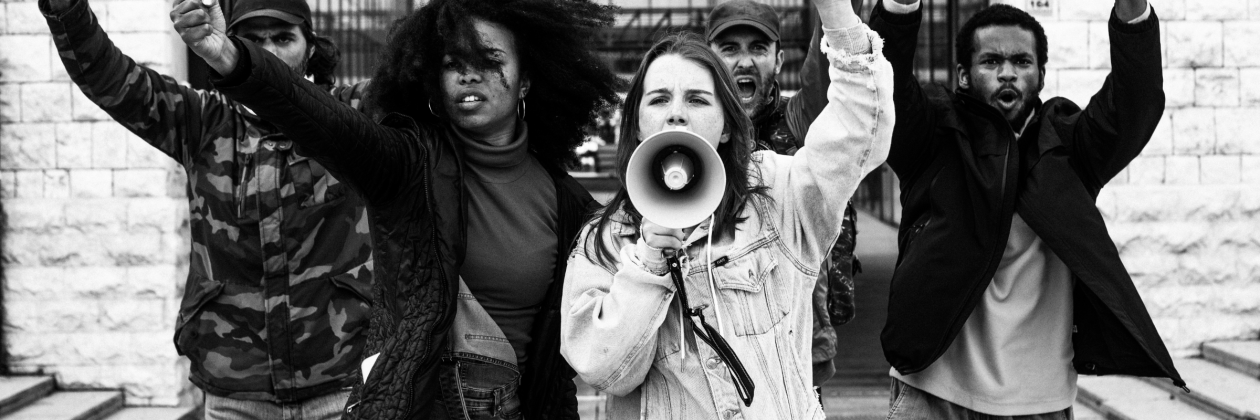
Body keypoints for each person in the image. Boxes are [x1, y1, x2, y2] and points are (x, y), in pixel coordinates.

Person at [170, 0, 622, 418]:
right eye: (452, 64)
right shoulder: (406, 164)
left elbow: (560, 361)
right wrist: (230, 56)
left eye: (489, 61)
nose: (468, 76)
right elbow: (313, 113)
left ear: (525, 78)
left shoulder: (568, 204)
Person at [559, 0, 893, 416]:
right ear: (637, 122)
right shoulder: (604, 240)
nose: (676, 113)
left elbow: (862, 129)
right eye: (659, 99)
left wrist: (836, 12)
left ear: (727, 124)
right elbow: (604, 369)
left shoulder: (779, 193)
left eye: (698, 100)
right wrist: (646, 267)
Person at [40, 0, 371, 418]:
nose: (269, 50)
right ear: (231, 44)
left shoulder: (352, 115)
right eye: (253, 40)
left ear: (310, 49)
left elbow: (418, 81)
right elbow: (108, 77)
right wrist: (65, 8)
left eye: (284, 38)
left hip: (343, 387)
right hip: (236, 394)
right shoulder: (203, 120)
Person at [869, 0, 1185, 418]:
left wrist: (1132, 10)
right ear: (963, 75)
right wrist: (900, 7)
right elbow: (886, 84)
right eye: (990, 61)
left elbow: (1136, 102)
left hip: (1042, 402)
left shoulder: (1072, 148)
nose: (1007, 72)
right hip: (935, 393)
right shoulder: (934, 138)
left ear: (1040, 75)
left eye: (1021, 61)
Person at [705, 0, 862, 391]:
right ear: (707, 59)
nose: (744, 62)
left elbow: (825, 67)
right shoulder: (687, 133)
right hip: (713, 342)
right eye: (729, 49)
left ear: (778, 60)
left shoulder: (802, 122)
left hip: (793, 341)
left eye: (758, 49)